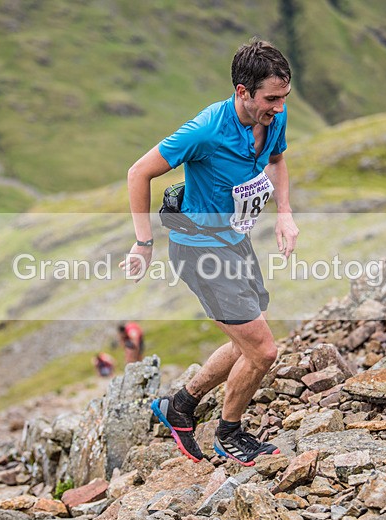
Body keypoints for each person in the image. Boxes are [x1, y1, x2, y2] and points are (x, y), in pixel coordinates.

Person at [118, 39, 298, 466]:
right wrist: (143, 243)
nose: (278, 107)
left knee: (245, 342)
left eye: (284, 97)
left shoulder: (273, 117)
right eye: (271, 98)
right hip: (198, 249)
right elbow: (138, 172)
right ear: (242, 92)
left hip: (235, 240)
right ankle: (229, 433)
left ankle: (180, 405)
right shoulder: (205, 130)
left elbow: (277, 161)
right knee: (264, 351)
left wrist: (286, 213)